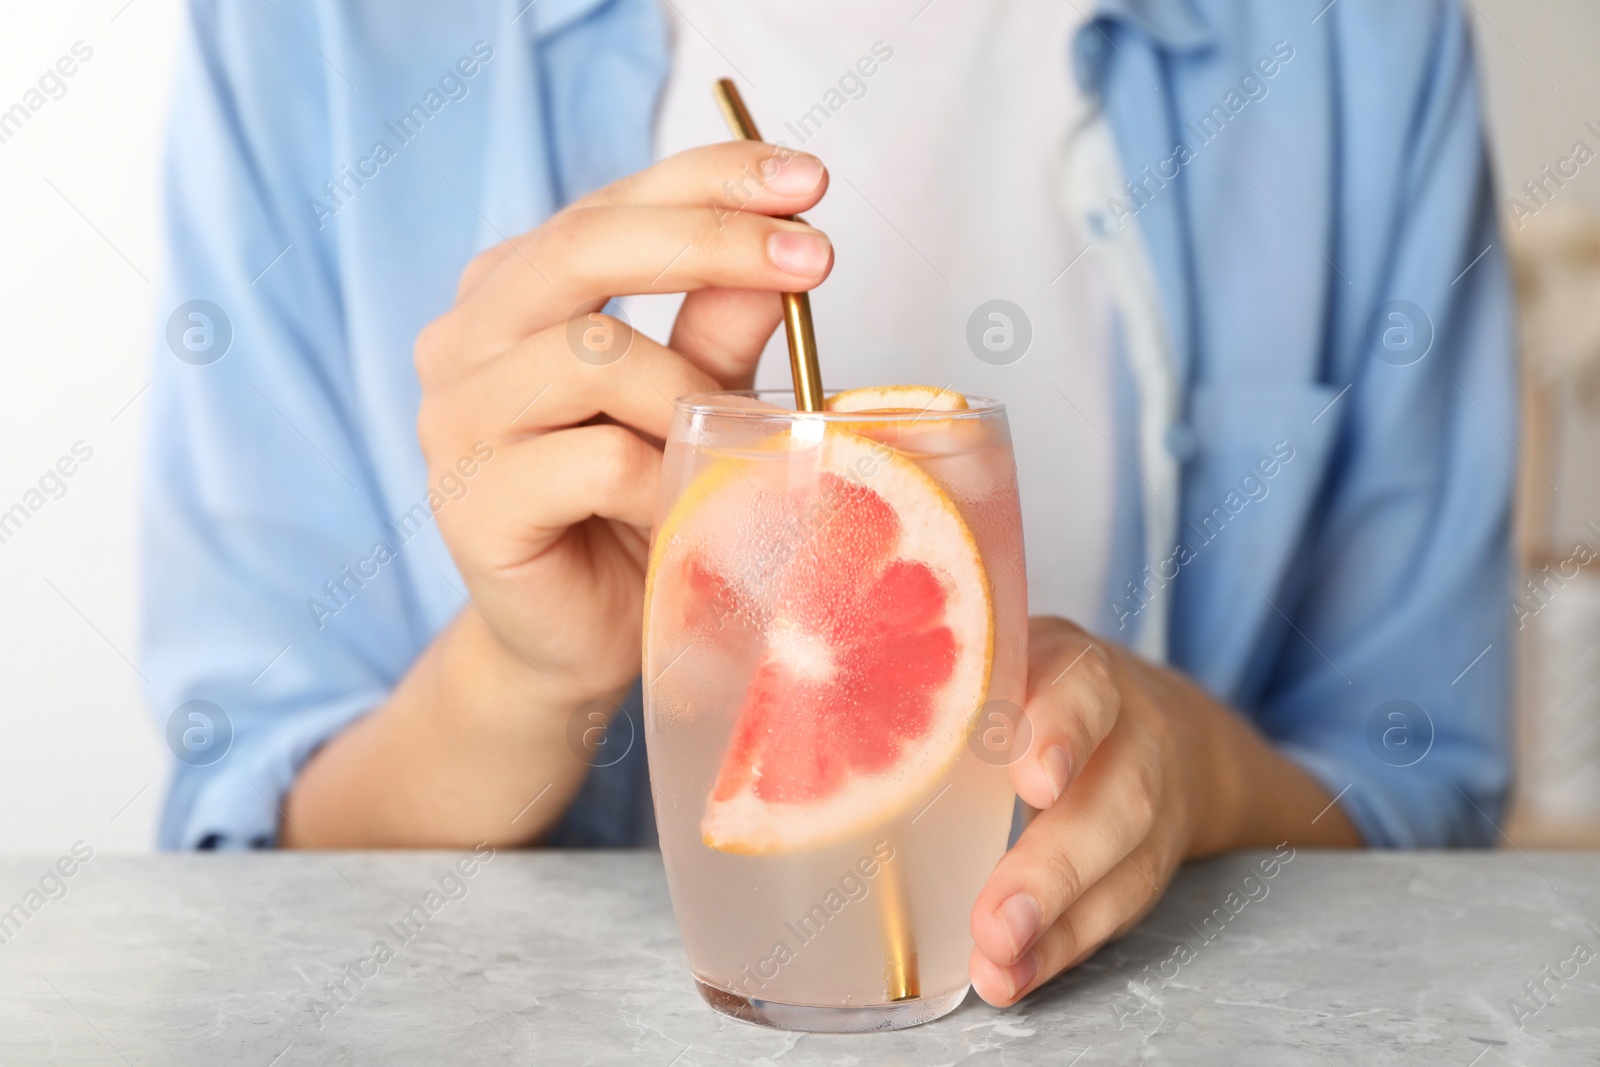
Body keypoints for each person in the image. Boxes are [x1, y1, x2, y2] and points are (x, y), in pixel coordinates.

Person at [143, 0, 1513, 1008]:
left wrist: (1196, 774)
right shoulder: (309, 38)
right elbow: (254, 848)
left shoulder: (1358, 40)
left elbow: (1418, 791)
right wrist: (526, 674)